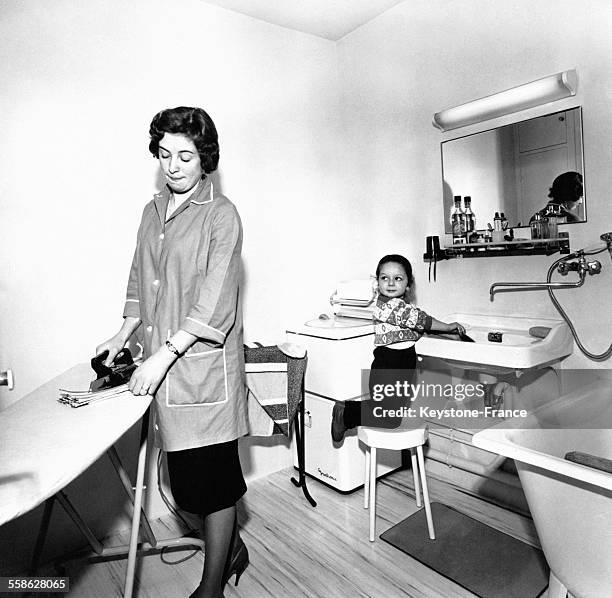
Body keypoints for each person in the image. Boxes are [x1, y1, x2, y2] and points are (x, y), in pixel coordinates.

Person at [97, 106, 248, 598]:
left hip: (200, 368)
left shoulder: (221, 214)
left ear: (206, 157)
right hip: (162, 361)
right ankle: (232, 550)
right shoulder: (151, 210)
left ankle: (211, 587)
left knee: (215, 486)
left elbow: (216, 299)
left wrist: (163, 355)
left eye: (185, 155)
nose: (173, 165)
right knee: (185, 486)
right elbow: (140, 278)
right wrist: (122, 334)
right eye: (164, 154)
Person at [330, 254, 465, 443]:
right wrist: (448, 326)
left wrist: (444, 334)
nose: (391, 283)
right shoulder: (388, 306)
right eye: (385, 278)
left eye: (398, 278)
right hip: (389, 363)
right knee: (389, 417)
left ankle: (348, 411)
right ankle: (346, 414)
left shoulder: (402, 306)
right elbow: (421, 320)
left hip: (404, 362)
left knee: (393, 414)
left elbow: (414, 329)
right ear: (377, 282)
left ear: (408, 284)